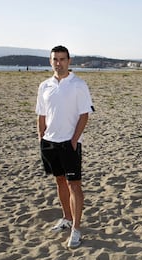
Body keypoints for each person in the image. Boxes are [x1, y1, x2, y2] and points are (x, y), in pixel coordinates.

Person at [36, 45, 94, 248]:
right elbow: (41, 115)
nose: (58, 63)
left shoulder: (78, 84)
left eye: (62, 59)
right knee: (60, 181)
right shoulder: (45, 86)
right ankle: (66, 218)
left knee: (74, 185)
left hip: (69, 143)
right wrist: (41, 137)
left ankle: (76, 229)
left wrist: (74, 139)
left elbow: (84, 114)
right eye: (55, 59)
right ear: (50, 61)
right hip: (49, 142)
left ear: (69, 61)